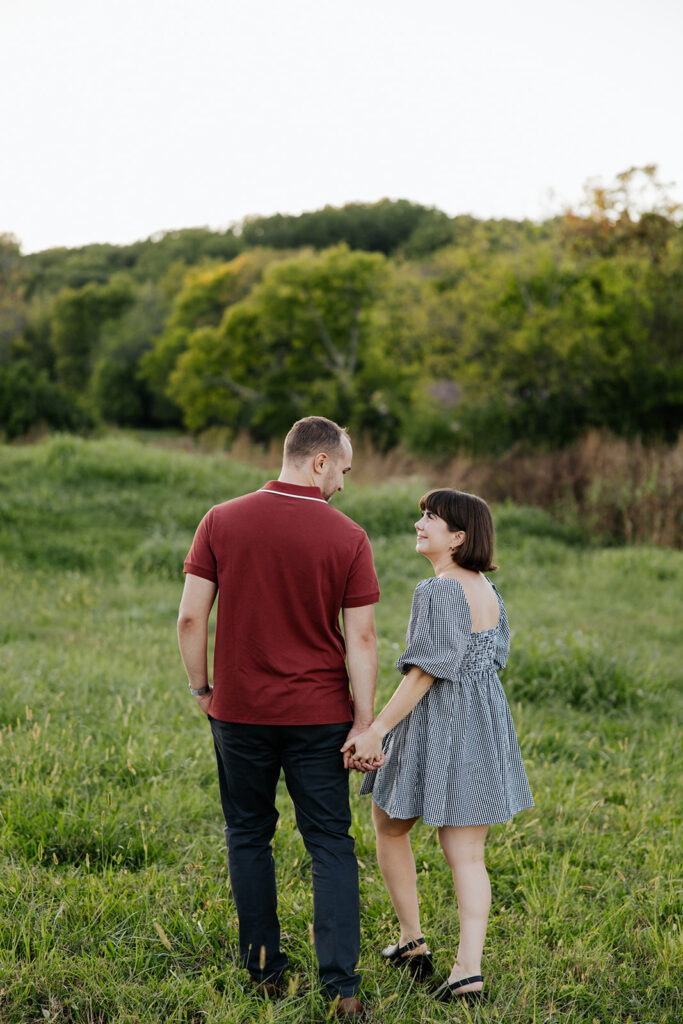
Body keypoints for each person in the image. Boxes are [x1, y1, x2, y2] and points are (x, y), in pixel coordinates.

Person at [177, 416, 381, 1020]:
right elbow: (362, 638)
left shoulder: (220, 520)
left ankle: (264, 972)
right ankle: (342, 989)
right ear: (319, 462)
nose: (343, 483)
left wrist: (201, 688)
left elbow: (190, 618)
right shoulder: (349, 536)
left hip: (239, 712)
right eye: (343, 469)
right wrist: (363, 721)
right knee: (330, 842)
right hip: (320, 717)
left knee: (248, 834)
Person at [342, 489, 534, 1003]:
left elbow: (426, 671)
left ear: (458, 537)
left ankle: (413, 941)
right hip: (484, 721)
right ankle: (466, 971)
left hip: (438, 719)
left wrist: (377, 728)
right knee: (466, 854)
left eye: (431, 518)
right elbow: (493, 657)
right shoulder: (488, 589)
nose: (419, 524)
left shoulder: (439, 588)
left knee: (389, 824)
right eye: (422, 515)